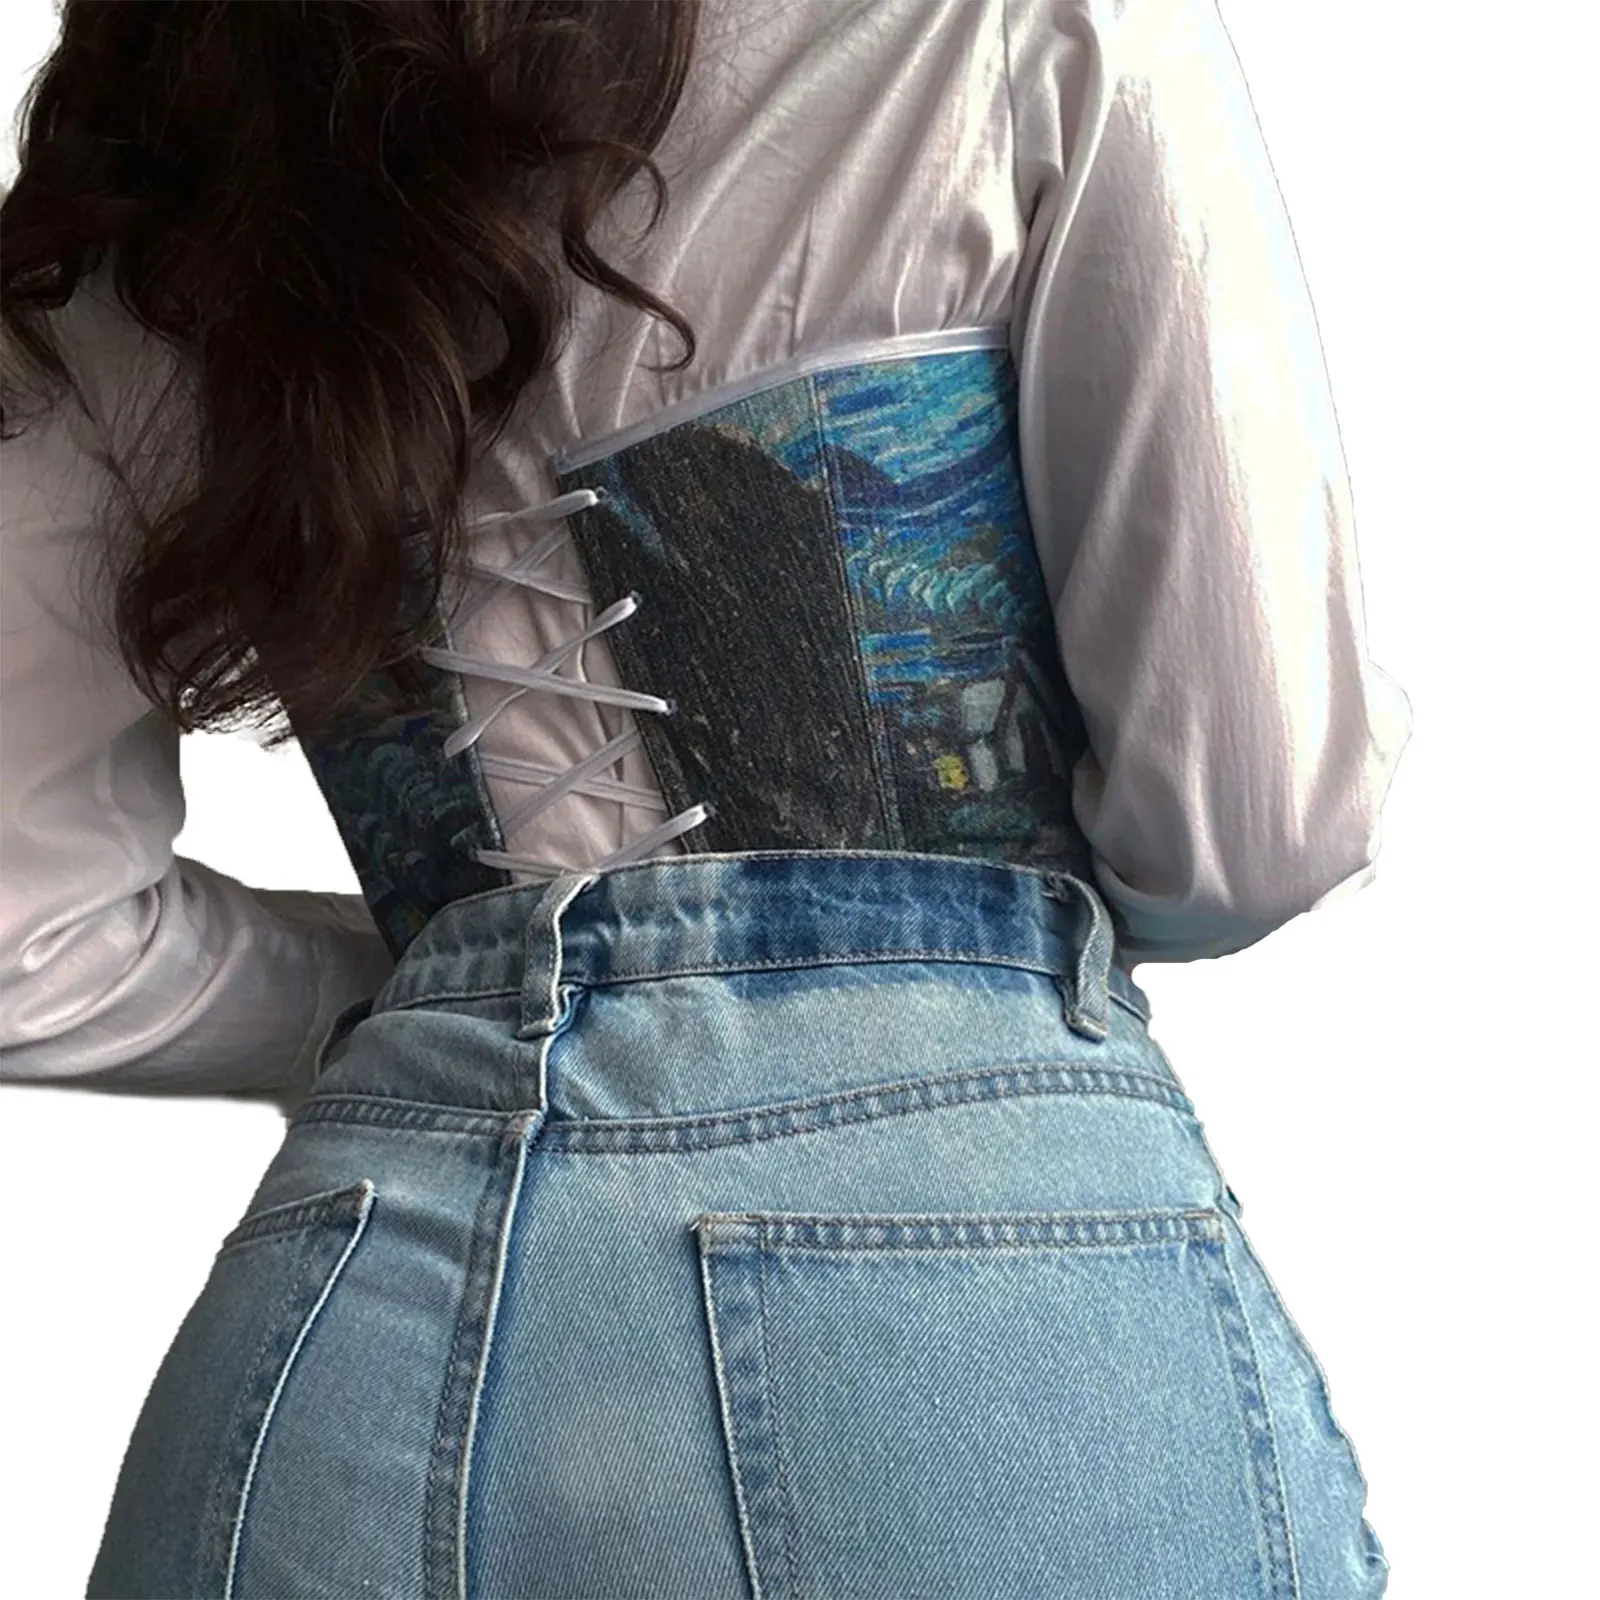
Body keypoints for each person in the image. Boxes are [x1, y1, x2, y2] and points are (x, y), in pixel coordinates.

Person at [0, 0, 1411, 1594]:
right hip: (984, 1320)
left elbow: (23, 942)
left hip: (344, 1348)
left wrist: (439, 995)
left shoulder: (154, 166)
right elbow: (1249, 831)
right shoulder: (1007, 23)